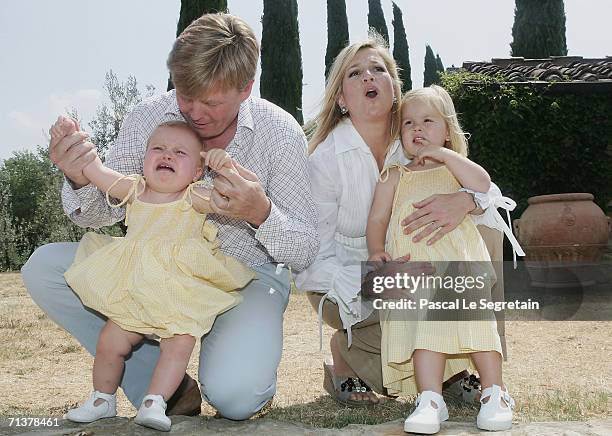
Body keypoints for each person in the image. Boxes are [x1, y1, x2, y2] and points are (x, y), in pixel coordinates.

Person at [21, 12, 318, 421]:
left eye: (211, 101)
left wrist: (260, 212)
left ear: (246, 88)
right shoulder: (147, 117)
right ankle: (161, 388)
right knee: (44, 268)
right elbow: (98, 215)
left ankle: (226, 365)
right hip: (151, 268)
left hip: (244, 277)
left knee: (236, 399)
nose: (194, 113)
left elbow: (303, 250)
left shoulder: (280, 132)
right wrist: (79, 176)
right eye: (184, 95)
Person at [295, 34, 519, 408]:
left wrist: (463, 202)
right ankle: (346, 358)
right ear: (341, 99)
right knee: (418, 297)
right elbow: (311, 259)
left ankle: (466, 370)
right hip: (346, 278)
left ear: (394, 88)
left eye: (378, 70)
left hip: (422, 270)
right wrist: (375, 276)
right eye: (355, 73)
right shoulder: (326, 160)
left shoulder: (417, 134)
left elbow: (489, 193)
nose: (368, 77)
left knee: (486, 230)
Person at [50, 117, 254, 431]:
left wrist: (226, 167)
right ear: (144, 159)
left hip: (179, 290)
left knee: (179, 343)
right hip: (136, 288)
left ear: (198, 171)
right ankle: (102, 399)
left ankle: (154, 402)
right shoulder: (134, 189)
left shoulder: (194, 197)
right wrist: (74, 139)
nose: (167, 155)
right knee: (110, 341)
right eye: (157, 148)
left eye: (179, 153)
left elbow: (236, 198)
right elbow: (94, 171)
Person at [367, 86, 520, 433]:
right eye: (408, 123)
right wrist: (377, 250)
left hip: (459, 266)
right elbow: (377, 218)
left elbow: (483, 185)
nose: (417, 129)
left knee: (478, 325)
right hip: (416, 269)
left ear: (447, 130)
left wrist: (445, 154)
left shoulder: (456, 170)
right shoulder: (394, 175)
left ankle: (495, 392)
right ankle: (430, 399)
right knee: (424, 331)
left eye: (428, 121)